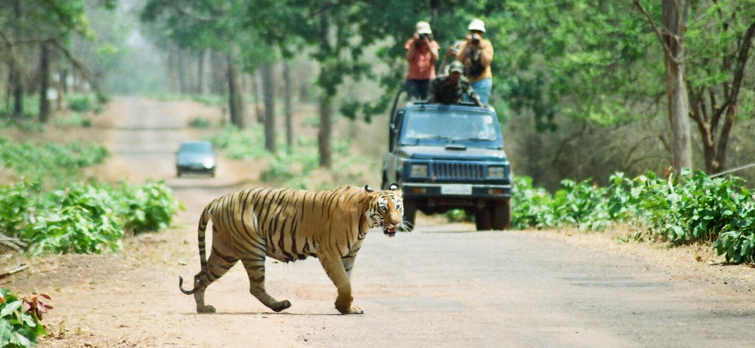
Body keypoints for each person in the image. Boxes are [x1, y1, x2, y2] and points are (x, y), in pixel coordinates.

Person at [456, 19, 494, 104]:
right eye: (473, 31)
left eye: (478, 32)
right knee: (465, 107)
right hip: (466, 81)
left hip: (482, 81)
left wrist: (480, 47)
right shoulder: (464, 44)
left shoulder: (486, 44)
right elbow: (458, 60)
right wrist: (467, 45)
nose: (476, 34)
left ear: (482, 33)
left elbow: (486, 63)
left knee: (480, 106)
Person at [404, 21, 440, 100]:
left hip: (428, 79)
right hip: (413, 79)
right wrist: (414, 44)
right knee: (413, 101)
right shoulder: (411, 43)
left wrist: (427, 44)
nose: (423, 37)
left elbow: (435, 58)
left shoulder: (433, 44)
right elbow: (408, 59)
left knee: (427, 102)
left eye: (425, 35)